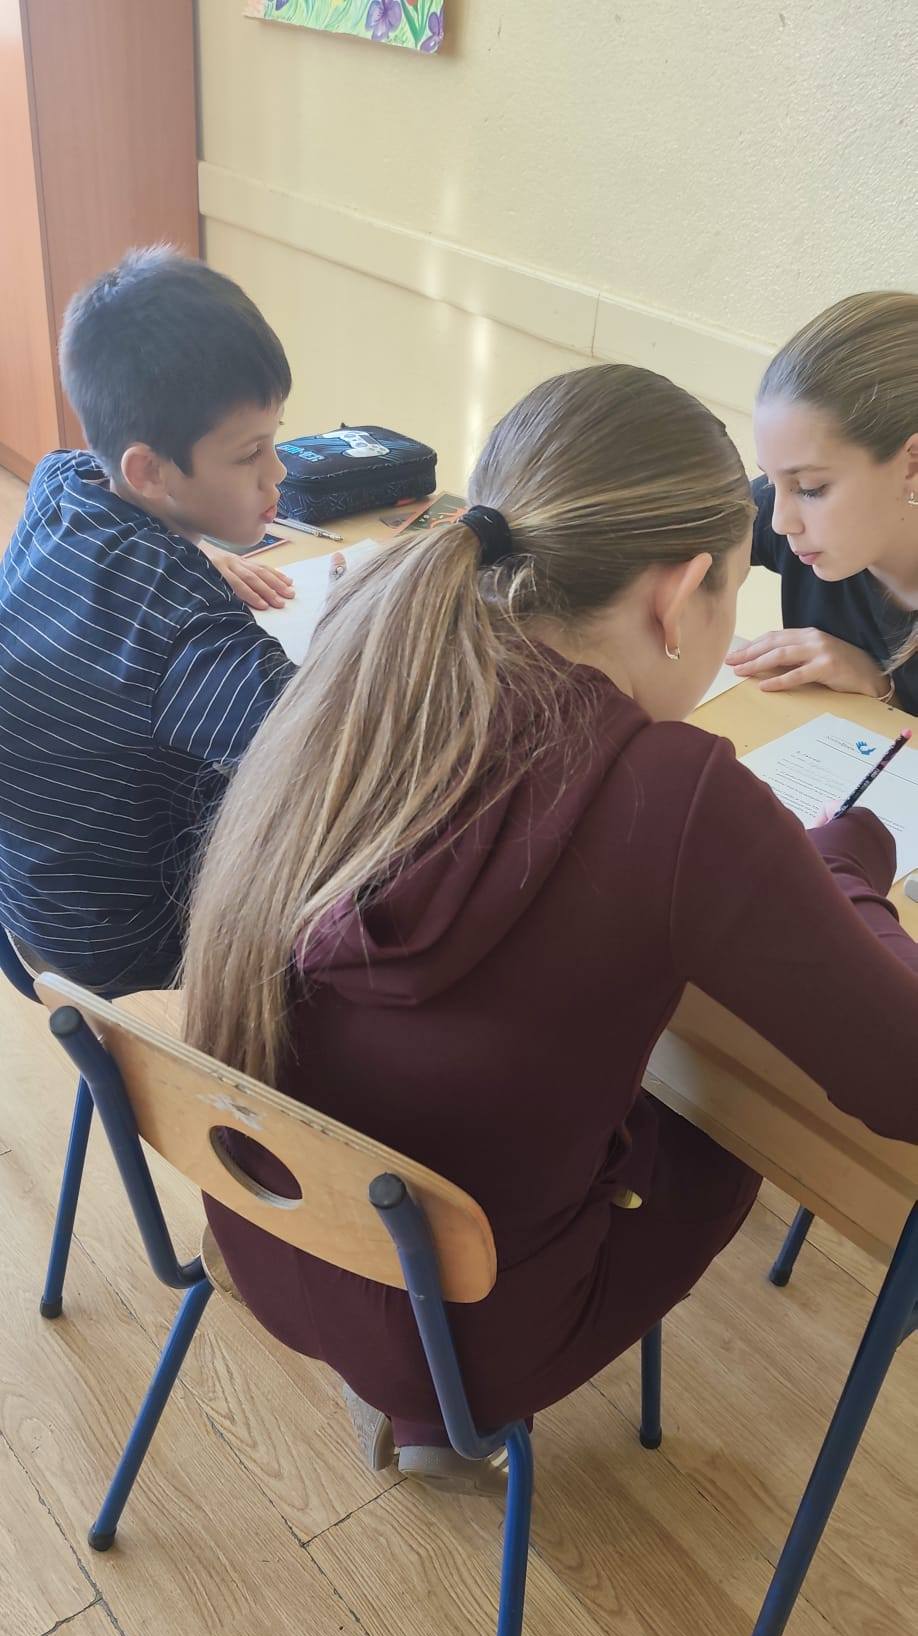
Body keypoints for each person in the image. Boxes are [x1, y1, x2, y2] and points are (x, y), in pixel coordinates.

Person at [183, 361, 918, 1490]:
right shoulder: (676, 794)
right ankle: (446, 1410)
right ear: (680, 595)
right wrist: (849, 860)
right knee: (724, 1120)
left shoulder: (370, 677)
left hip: (276, 1238)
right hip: (474, 1337)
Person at [0, 246, 302, 994]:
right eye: (250, 454)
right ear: (150, 473)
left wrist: (190, 549)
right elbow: (331, 748)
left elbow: (74, 481)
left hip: (32, 894)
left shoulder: (62, 487)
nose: (278, 474)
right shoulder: (187, 636)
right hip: (136, 953)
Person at [726, 292, 918, 708]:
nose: (779, 522)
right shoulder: (787, 513)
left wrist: (882, 692)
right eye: (771, 480)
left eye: (810, 488)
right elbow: (651, 535)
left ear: (912, 464)